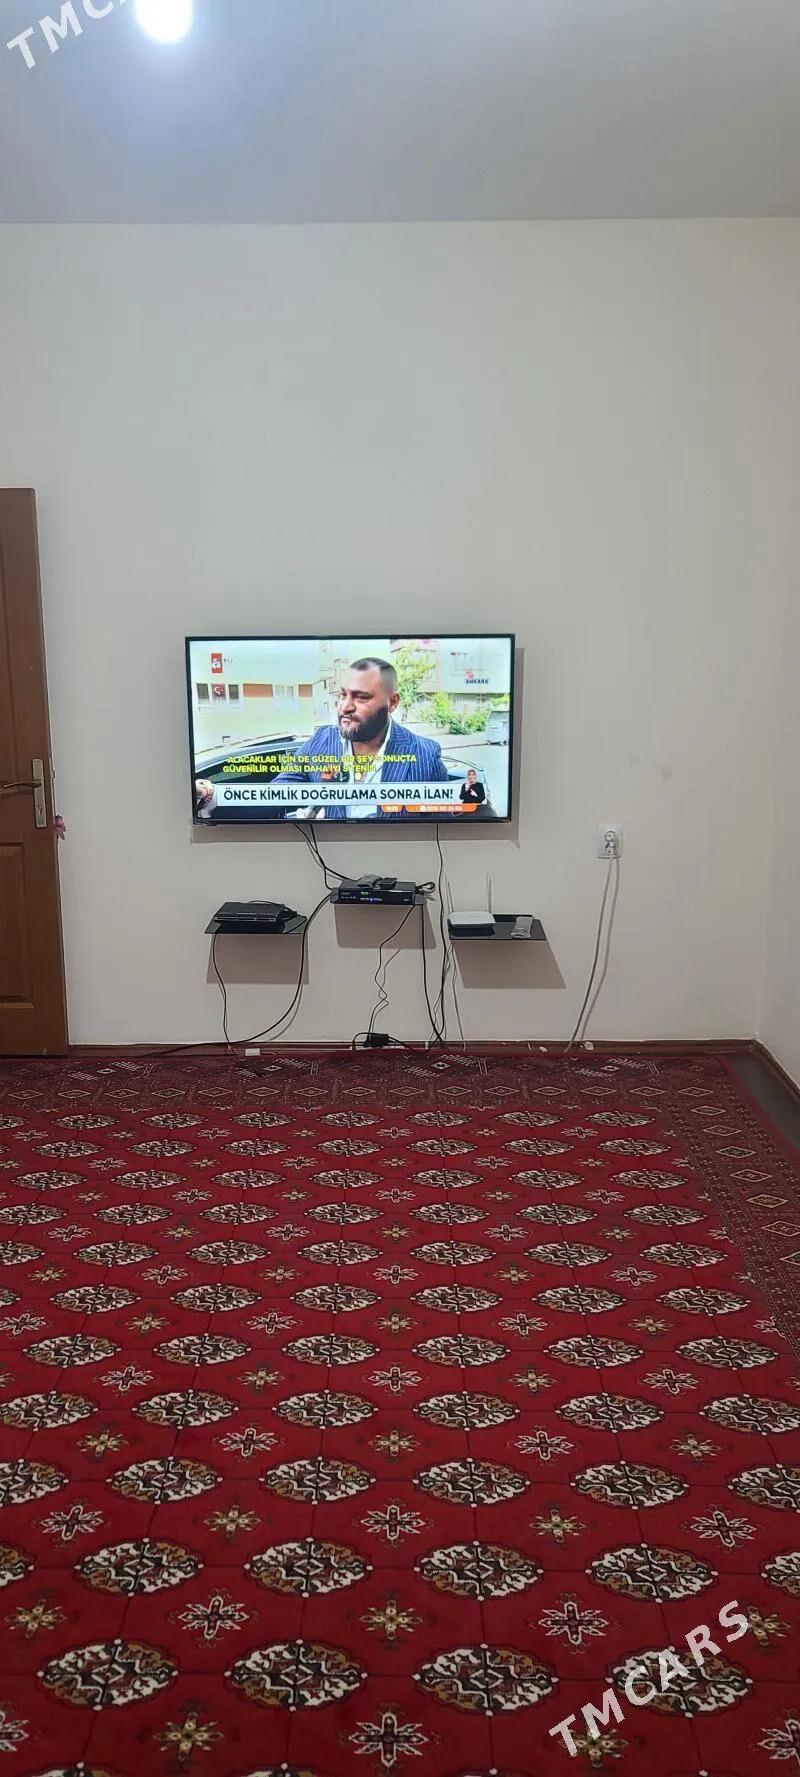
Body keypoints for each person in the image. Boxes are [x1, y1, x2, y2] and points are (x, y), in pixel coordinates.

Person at [196, 657, 452, 821]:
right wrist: (212, 795)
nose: (345, 707)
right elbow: (276, 795)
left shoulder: (425, 753)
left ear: (392, 702)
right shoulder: (322, 741)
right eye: (342, 695)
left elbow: (443, 829)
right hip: (332, 868)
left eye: (361, 697)